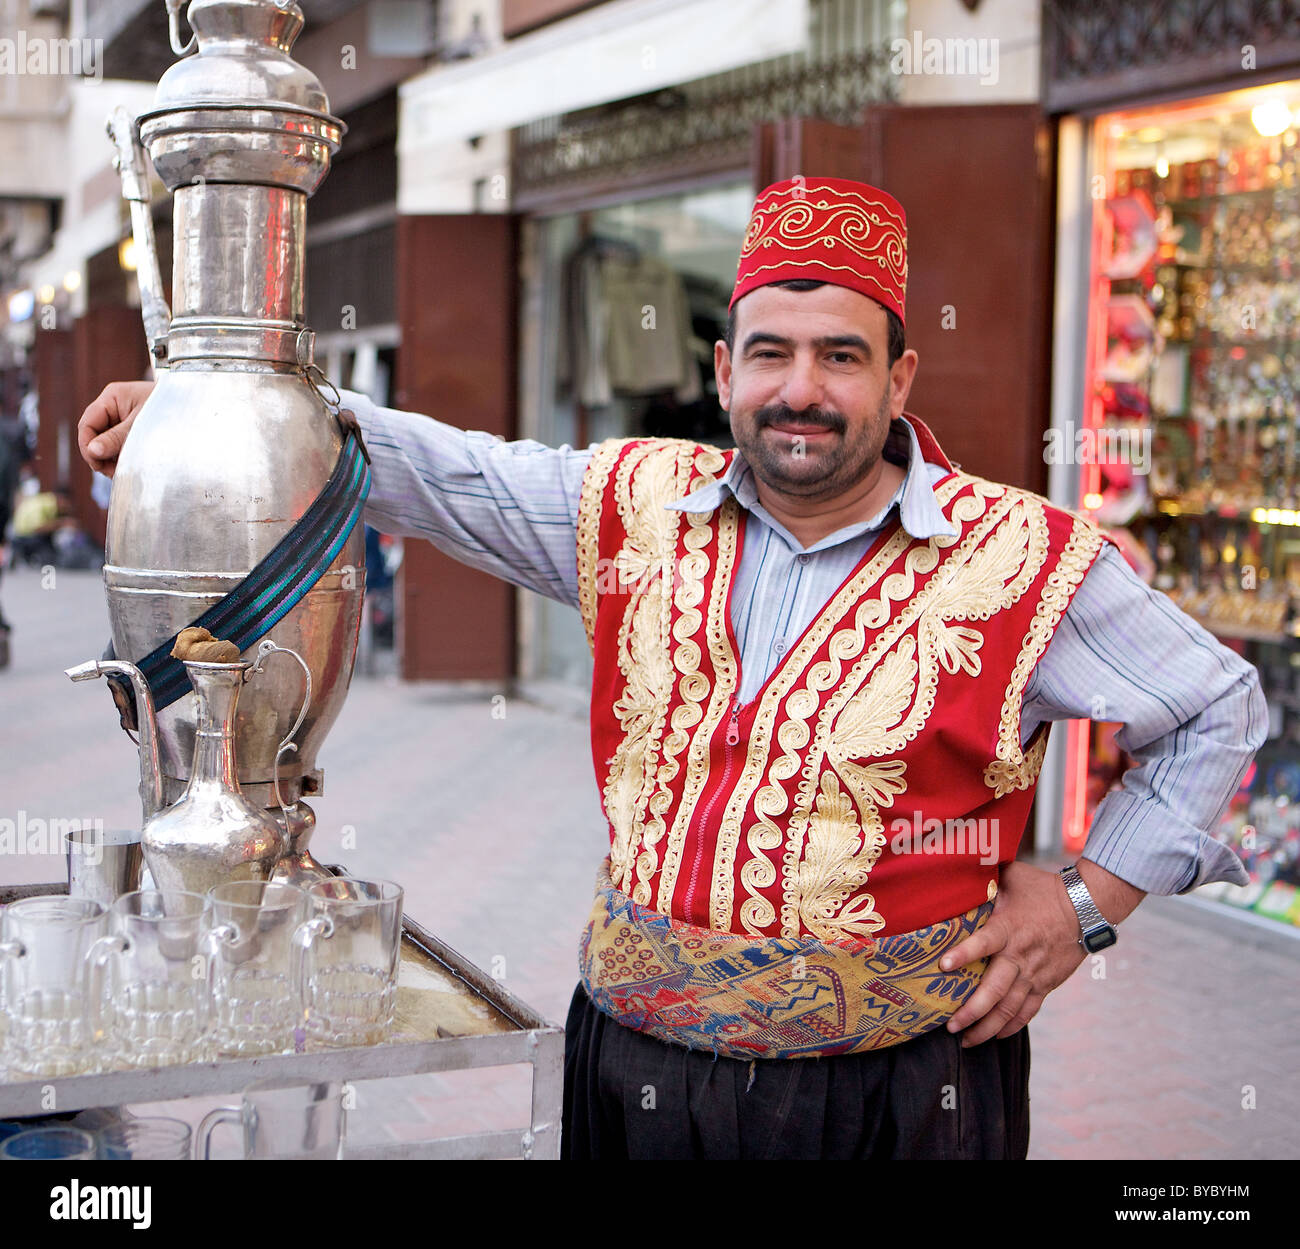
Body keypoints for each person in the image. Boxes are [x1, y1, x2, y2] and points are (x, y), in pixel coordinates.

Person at [78, 176, 1266, 1160]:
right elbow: (428, 469)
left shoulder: (1024, 555)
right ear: (721, 367)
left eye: (840, 357)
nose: (800, 390)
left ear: (899, 378)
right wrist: (205, 407)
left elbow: (1220, 706)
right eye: (771, 354)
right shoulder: (633, 506)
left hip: (896, 1098)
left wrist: (1083, 903)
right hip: (631, 1077)